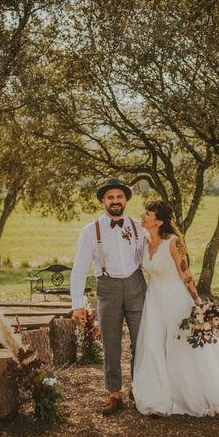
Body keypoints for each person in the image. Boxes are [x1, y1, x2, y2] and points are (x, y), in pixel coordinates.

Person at [132, 200, 219, 417]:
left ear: (158, 221)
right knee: (152, 344)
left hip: (175, 298)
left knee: (179, 346)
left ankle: (187, 394)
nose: (142, 215)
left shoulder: (173, 242)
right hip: (153, 299)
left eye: (147, 213)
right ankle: (156, 396)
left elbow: (186, 275)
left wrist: (197, 303)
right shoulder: (144, 239)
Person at [70, 178, 146, 415]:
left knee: (142, 341)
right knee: (111, 344)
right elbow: (80, 269)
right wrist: (77, 305)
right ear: (103, 201)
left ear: (125, 200)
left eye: (119, 197)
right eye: (110, 197)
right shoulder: (90, 231)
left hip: (136, 286)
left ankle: (141, 388)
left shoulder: (137, 227)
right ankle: (114, 393)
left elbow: (150, 259)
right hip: (107, 287)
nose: (115, 201)